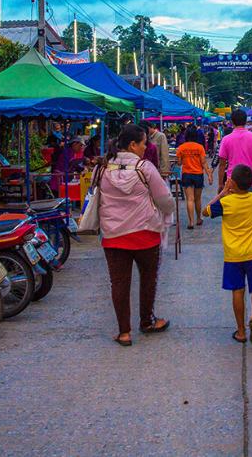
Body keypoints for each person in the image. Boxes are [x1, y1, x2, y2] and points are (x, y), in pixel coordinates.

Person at [94, 124, 176, 346]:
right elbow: (165, 199)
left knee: (119, 284)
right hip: (145, 233)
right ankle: (147, 321)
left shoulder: (103, 168)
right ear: (132, 145)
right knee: (148, 279)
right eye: (143, 143)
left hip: (113, 236)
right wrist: (168, 211)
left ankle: (124, 332)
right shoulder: (145, 168)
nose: (145, 147)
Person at [203, 165, 252, 345]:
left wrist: (223, 193)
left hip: (233, 255)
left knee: (238, 290)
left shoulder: (225, 203)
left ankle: (241, 331)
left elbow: (205, 211)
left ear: (233, 183)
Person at [218, 109, 252, 199]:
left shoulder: (226, 139)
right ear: (246, 121)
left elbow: (222, 164)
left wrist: (220, 184)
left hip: (232, 182)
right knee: (251, 207)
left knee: (233, 207)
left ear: (232, 122)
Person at [176, 125, 212, 229]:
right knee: (198, 199)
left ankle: (191, 222)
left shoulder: (181, 147)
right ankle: (198, 219)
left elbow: (179, 163)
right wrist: (209, 175)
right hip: (198, 175)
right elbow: (203, 162)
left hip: (186, 174)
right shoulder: (199, 147)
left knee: (190, 199)